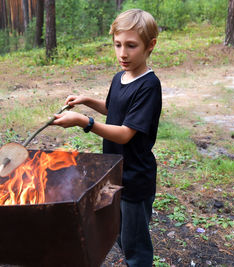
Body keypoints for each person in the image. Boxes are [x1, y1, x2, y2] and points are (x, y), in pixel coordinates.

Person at [51, 9, 161, 267]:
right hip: (115, 172)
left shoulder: (148, 86)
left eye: (131, 46)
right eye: (118, 45)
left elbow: (124, 133)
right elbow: (114, 110)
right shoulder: (120, 77)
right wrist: (86, 101)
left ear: (150, 45)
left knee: (135, 242)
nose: (123, 53)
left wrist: (84, 122)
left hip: (135, 177)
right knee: (119, 231)